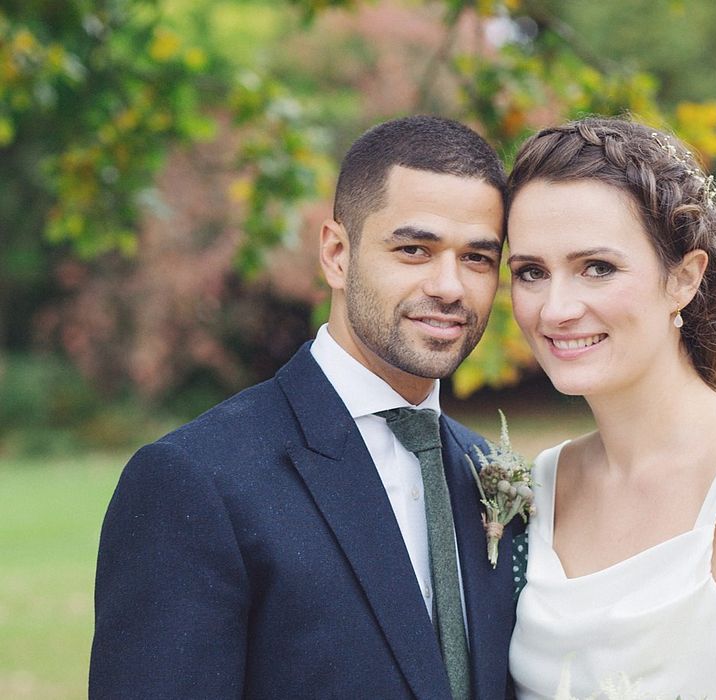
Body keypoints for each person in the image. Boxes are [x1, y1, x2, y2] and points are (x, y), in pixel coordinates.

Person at [89, 115, 524, 700]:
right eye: (415, 249)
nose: (449, 286)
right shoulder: (195, 482)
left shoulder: (490, 476)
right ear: (337, 254)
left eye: (477, 258)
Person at [504, 115, 716, 699]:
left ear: (683, 279)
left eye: (596, 268)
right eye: (531, 273)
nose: (555, 310)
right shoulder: (542, 485)